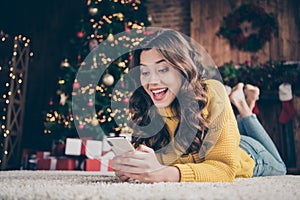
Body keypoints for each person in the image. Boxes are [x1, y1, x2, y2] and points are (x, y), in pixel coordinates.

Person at [111, 29, 286, 183]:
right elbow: (156, 161)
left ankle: (244, 108)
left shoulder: (211, 90)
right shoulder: (148, 105)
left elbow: (225, 168)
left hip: (247, 152)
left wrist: (163, 174)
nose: (152, 81)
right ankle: (244, 107)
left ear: (183, 69)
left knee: (281, 168)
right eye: (145, 72)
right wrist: (134, 166)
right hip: (216, 136)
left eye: (163, 69)